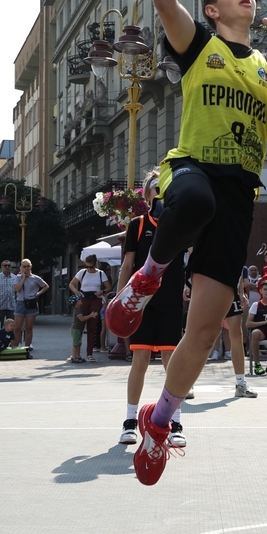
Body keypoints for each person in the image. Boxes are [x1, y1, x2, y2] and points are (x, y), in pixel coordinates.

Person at [106, 0, 267, 487]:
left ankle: (160, 419)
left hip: (238, 194)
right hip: (192, 168)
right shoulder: (198, 43)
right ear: (213, 8)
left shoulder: (264, 61)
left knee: (202, 331)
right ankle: (144, 280)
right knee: (190, 202)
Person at [116, 173, 190, 450]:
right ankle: (129, 421)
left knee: (173, 363)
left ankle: (175, 423)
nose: (160, 191)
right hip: (142, 303)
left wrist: (190, 285)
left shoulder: (180, 224)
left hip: (170, 301)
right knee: (141, 361)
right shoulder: (137, 225)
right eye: (155, 188)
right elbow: (128, 265)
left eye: (165, 187)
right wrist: (120, 299)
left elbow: (191, 257)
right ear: (147, 194)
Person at [69, 254, 111, 360]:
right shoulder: (82, 273)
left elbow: (109, 287)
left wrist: (102, 291)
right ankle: (76, 353)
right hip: (84, 299)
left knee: (92, 327)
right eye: (87, 266)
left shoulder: (101, 274)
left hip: (95, 300)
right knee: (80, 326)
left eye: (91, 267)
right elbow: (71, 284)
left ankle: (89, 354)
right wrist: (76, 291)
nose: (89, 269)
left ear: (95, 264)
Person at [11, 258, 48, 349]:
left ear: (31, 266)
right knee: (17, 328)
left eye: (28, 266)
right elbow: (17, 289)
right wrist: (23, 278)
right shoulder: (18, 277)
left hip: (31, 303)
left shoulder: (35, 278)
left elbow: (46, 286)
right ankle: (15, 347)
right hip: (20, 303)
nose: (26, 268)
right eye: (24, 266)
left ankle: (27, 347)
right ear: (21, 268)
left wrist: (38, 294)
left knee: (29, 328)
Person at [69, 298, 99, 364]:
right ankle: (73, 357)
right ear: (76, 303)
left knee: (78, 343)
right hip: (76, 329)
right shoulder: (77, 310)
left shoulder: (79, 309)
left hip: (78, 329)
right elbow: (82, 319)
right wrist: (90, 316)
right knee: (75, 344)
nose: (81, 301)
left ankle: (78, 356)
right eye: (79, 300)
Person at [0, 259, 17, 327]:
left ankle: (10, 337)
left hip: (11, 305)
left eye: (8, 265)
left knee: (11, 325)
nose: (7, 267)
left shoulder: (15, 278)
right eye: (5, 265)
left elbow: (16, 292)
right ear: (1, 267)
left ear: (11, 267)